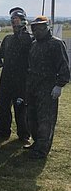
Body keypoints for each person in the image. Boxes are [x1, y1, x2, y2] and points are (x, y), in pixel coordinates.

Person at [26, 16, 70, 159]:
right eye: (34, 28)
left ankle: (42, 150)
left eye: (40, 28)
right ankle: (36, 142)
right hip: (33, 87)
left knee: (46, 120)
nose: (37, 31)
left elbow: (64, 67)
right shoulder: (34, 44)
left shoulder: (56, 44)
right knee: (32, 118)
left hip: (47, 89)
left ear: (46, 28)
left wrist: (59, 85)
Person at [0, 7, 33, 142]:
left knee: (21, 108)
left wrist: (21, 32)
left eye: (16, 20)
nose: (14, 23)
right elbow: (0, 62)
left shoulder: (30, 39)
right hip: (6, 78)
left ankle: (24, 134)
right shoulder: (8, 39)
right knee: (3, 107)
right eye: (12, 21)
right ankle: (3, 131)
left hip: (21, 79)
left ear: (23, 21)